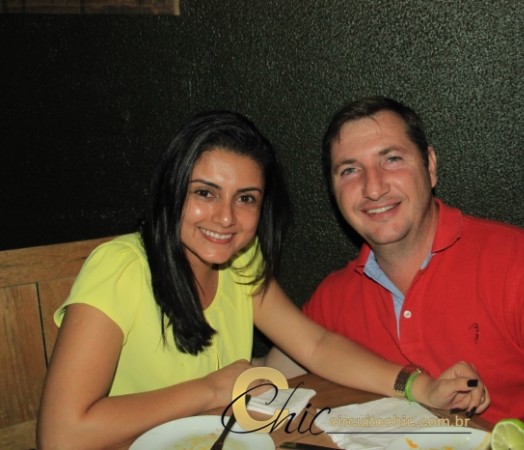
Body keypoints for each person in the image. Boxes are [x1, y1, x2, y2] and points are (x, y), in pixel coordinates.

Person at [36, 110, 489, 450]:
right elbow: (60, 435)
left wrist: (418, 386)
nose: (226, 218)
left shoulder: (241, 260)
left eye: (246, 198)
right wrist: (213, 389)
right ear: (172, 191)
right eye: (205, 193)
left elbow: (315, 346)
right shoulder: (120, 267)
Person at [265, 96, 524, 449]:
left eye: (392, 159)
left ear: (430, 165)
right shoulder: (335, 295)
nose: (373, 187)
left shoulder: (514, 261)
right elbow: (266, 383)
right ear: (334, 191)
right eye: (350, 170)